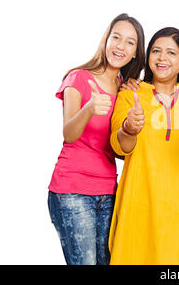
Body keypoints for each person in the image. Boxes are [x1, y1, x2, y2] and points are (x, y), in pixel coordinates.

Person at [47, 13, 145, 265]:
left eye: (130, 42)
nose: (120, 46)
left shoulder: (126, 89)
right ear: (106, 40)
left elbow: (121, 149)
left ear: (135, 53)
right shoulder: (78, 78)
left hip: (109, 191)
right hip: (72, 192)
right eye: (116, 37)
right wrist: (89, 107)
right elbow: (69, 133)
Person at [108, 27, 179, 265]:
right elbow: (121, 146)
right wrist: (129, 127)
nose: (162, 58)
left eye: (171, 53)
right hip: (138, 211)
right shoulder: (130, 95)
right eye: (156, 51)